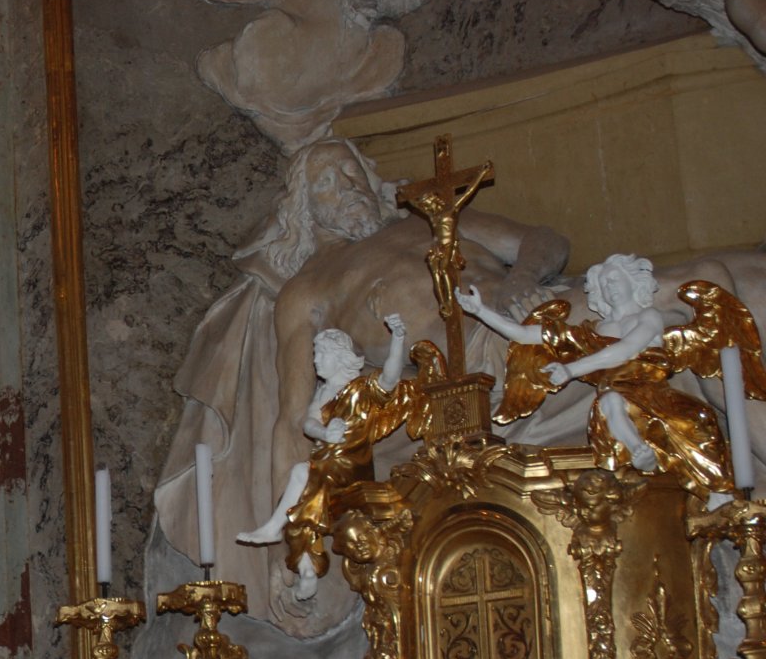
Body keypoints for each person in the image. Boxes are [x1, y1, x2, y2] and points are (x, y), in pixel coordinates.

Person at [155, 137, 569, 634]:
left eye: (351, 172)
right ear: (305, 209)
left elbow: (545, 241)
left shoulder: (429, 223)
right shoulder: (308, 290)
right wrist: (290, 547)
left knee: (648, 317)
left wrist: (522, 280)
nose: (347, 186)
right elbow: (292, 423)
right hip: (449, 383)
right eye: (327, 183)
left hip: (529, 322)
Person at [460, 253, 737, 497]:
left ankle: (718, 492)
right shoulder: (593, 332)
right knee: (609, 402)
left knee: (696, 421)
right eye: (603, 284)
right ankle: (638, 450)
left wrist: (571, 369)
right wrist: (480, 311)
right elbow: (524, 334)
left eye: (614, 280)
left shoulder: (648, 317)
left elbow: (625, 350)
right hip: (616, 397)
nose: (609, 287)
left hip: (654, 395)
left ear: (633, 282)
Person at [238, 313, 418, 601]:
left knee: (302, 474)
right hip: (325, 465)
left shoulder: (361, 389)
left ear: (339, 356)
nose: (315, 361)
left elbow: (390, 378)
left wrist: (398, 338)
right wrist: (324, 432)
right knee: (299, 496)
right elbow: (308, 423)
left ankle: (273, 527)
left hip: (352, 467)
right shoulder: (323, 392)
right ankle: (306, 570)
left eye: (321, 354)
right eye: (315, 355)